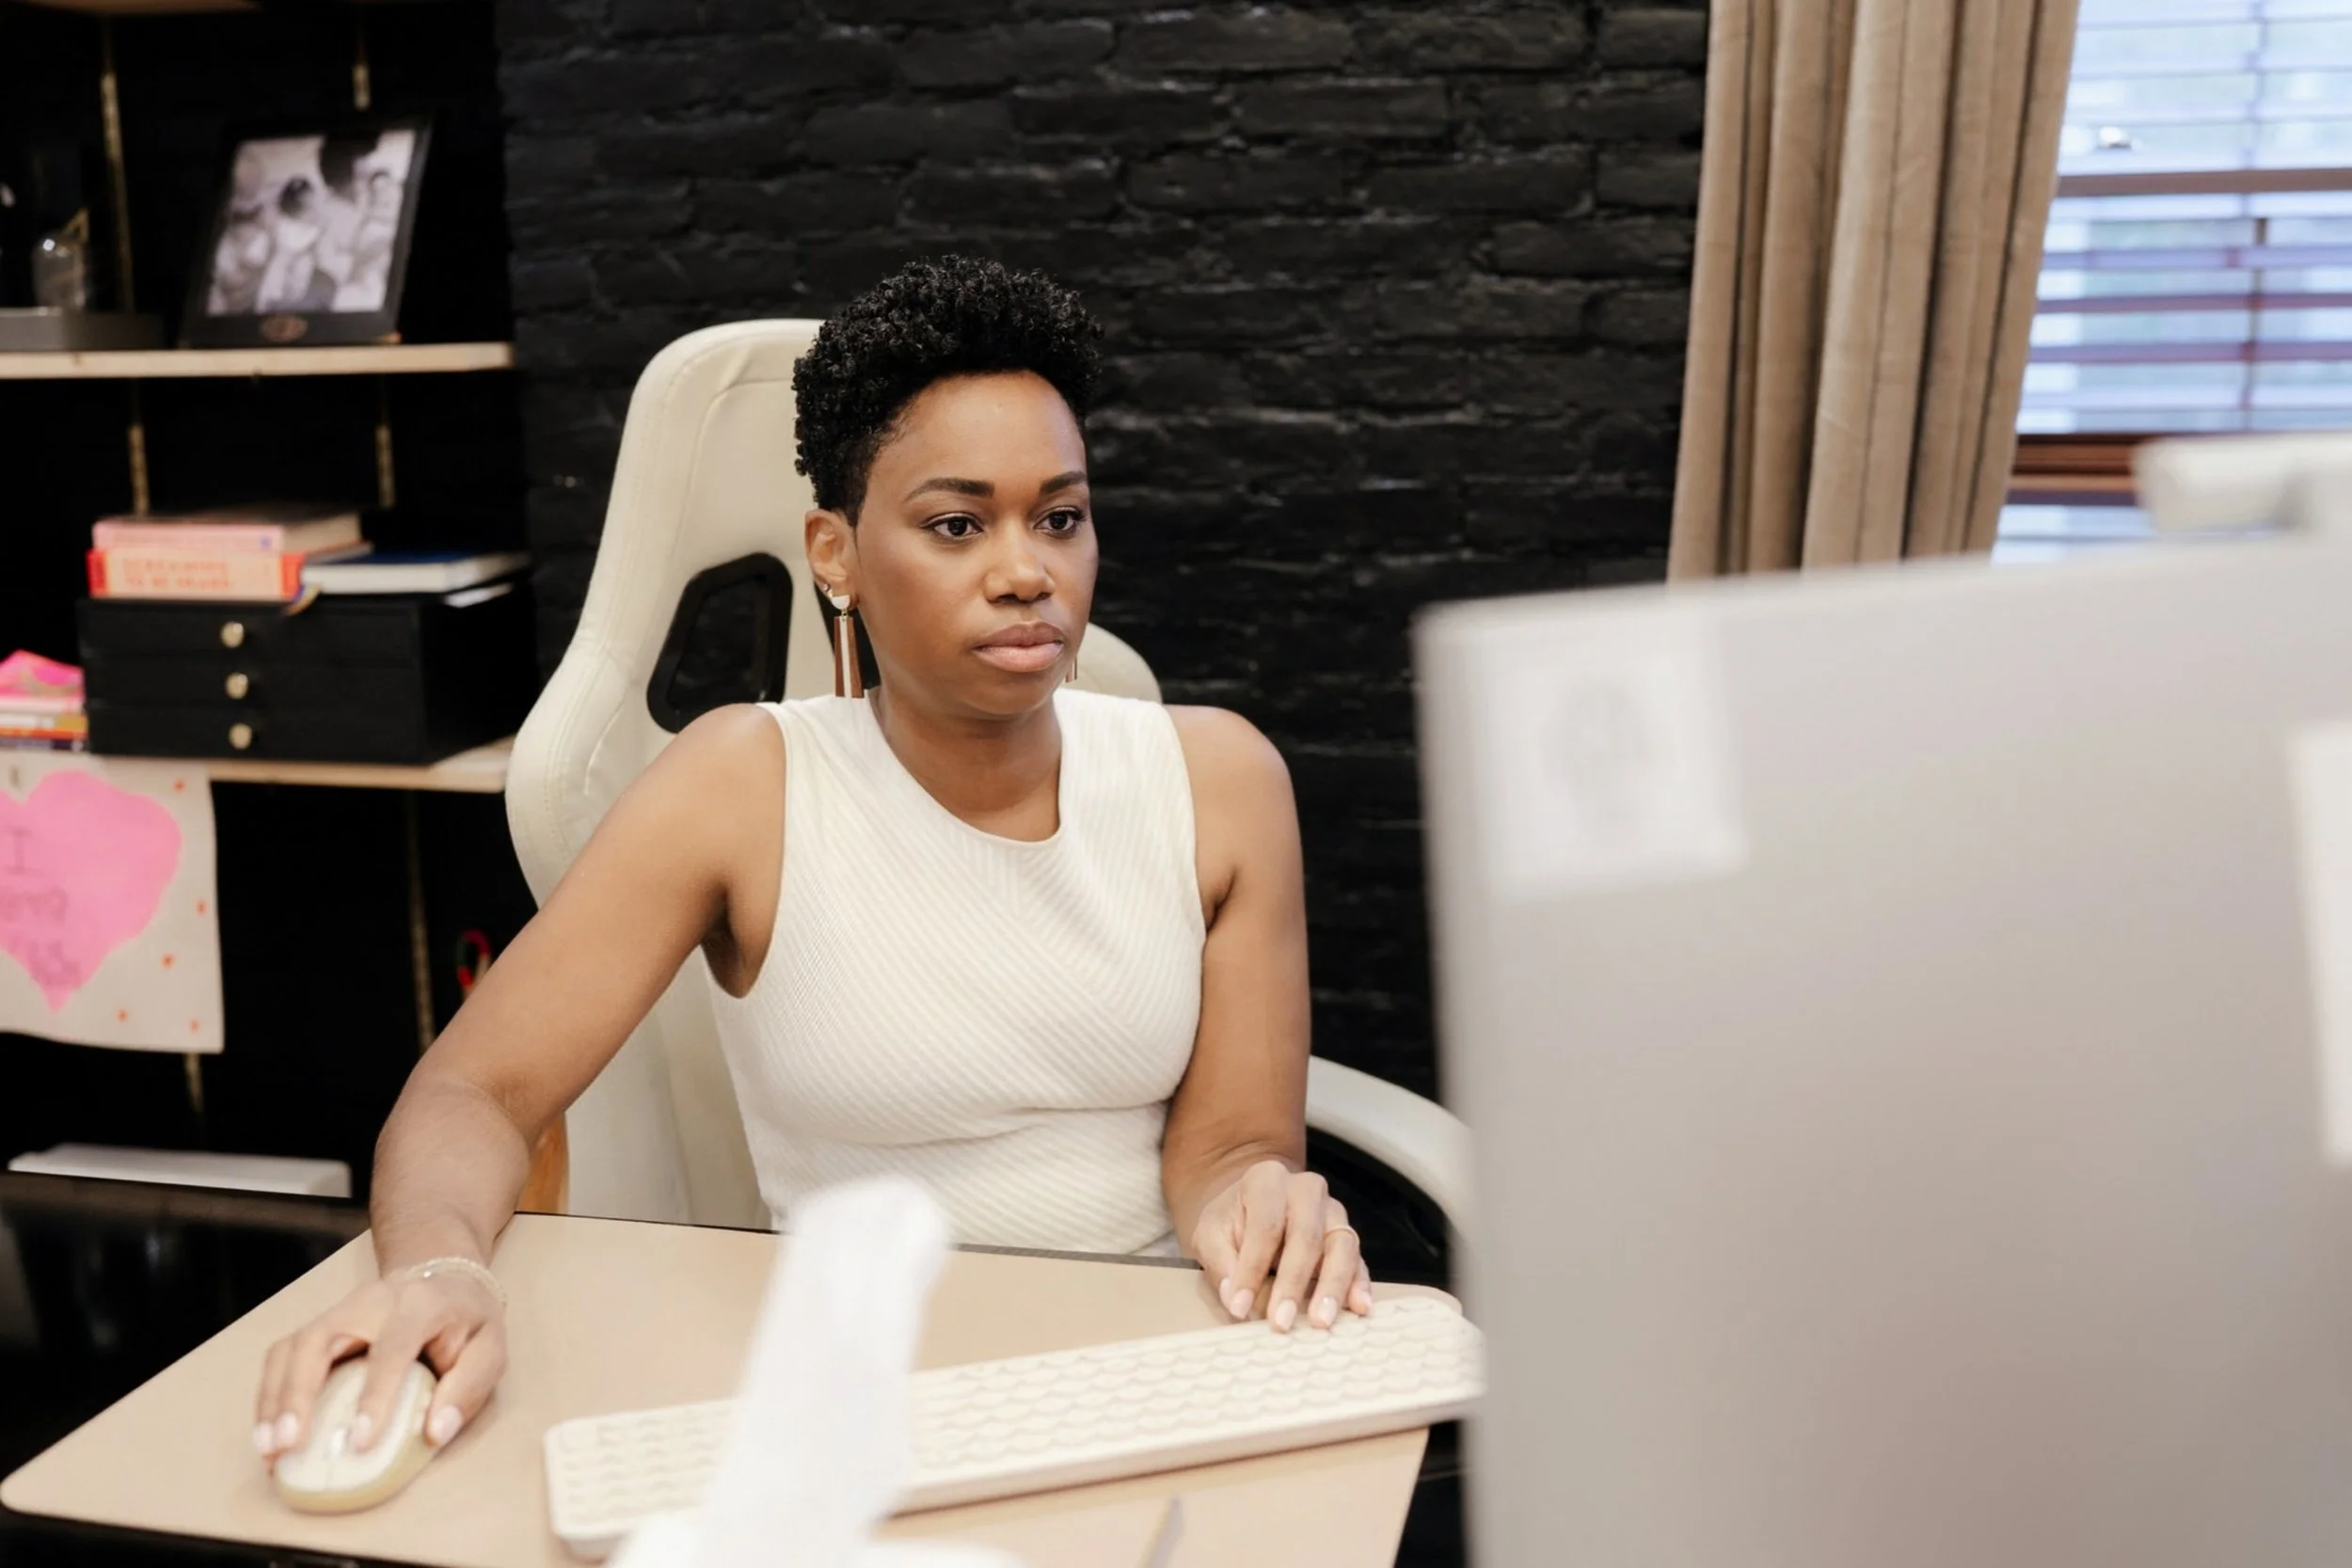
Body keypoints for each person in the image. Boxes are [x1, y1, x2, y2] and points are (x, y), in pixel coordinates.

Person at [251, 257, 1374, 1469]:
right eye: (957, 524)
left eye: (1060, 515)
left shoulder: (1219, 782)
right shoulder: (743, 788)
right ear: (834, 555)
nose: (1026, 570)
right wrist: (436, 1269)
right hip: (860, 1406)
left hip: (1145, 1380)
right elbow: (473, 1093)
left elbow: (1228, 1154)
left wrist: (1260, 1203)